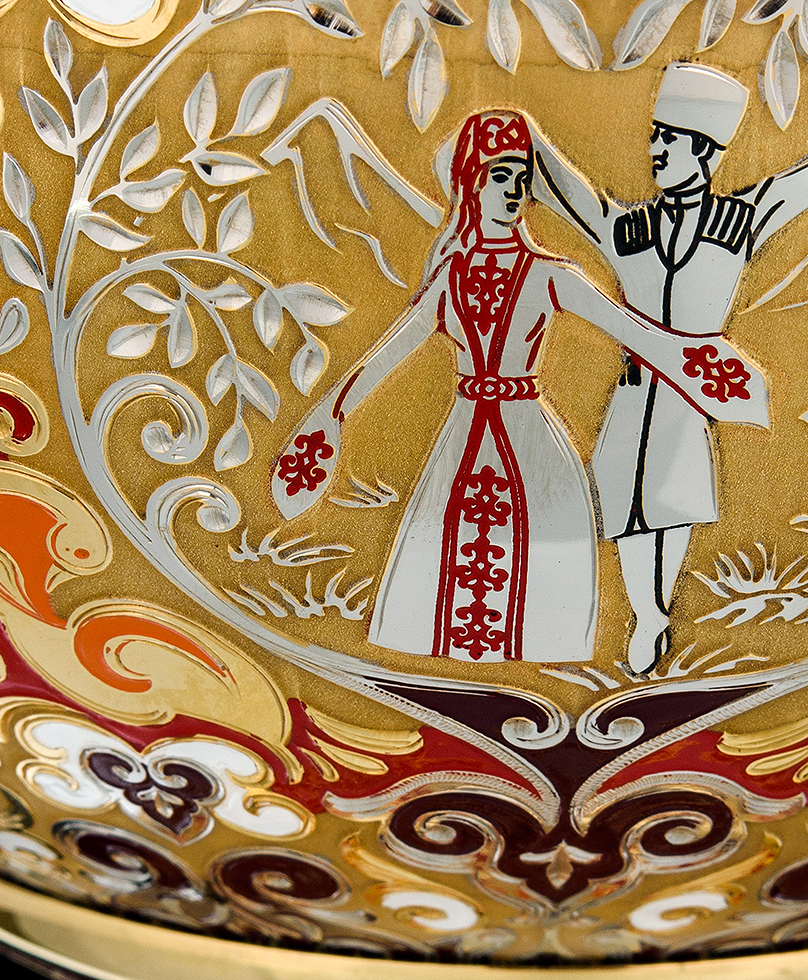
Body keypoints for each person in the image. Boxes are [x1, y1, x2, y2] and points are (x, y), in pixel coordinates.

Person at [271, 110, 768, 665]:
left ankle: (536, 659)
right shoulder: (451, 275)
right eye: (500, 175)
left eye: (522, 177)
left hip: (533, 440)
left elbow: (637, 335)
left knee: (537, 560)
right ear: (471, 181)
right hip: (465, 432)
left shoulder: (549, 274)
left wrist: (710, 372)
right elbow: (390, 352)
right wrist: (333, 412)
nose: (515, 190)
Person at [530, 63, 808, 673]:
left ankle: (656, 610)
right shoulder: (627, 227)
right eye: (654, 136)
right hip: (636, 387)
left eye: (669, 139)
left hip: (696, 388)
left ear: (703, 150)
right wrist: (525, 143)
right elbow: (570, 195)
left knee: (673, 502)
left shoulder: (740, 218)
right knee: (626, 506)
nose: (655, 149)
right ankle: (649, 613)